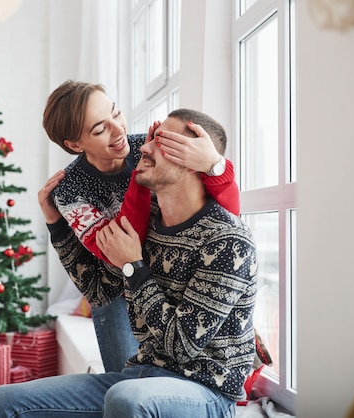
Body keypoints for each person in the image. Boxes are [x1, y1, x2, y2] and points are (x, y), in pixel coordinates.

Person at [0, 109, 258, 418]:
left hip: (204, 392)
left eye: (161, 141)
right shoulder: (144, 225)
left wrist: (133, 266)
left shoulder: (229, 240)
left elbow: (181, 346)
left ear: (194, 159)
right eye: (151, 138)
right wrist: (56, 225)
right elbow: (99, 291)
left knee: (126, 399)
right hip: (138, 377)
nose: (142, 146)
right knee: (3, 402)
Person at [42, 80, 239, 372]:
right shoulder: (70, 191)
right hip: (118, 291)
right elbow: (118, 250)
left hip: (171, 279)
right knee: (126, 383)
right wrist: (143, 176)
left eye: (116, 113)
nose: (119, 129)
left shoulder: (146, 146)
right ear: (74, 144)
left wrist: (214, 163)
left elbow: (224, 214)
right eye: (99, 129)